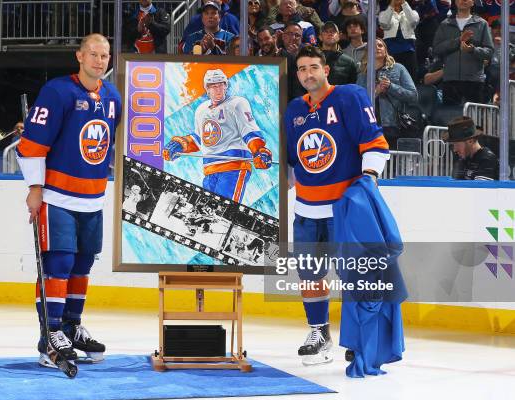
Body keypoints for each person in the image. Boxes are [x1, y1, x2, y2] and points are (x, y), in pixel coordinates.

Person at [16, 33, 122, 368]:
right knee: (58, 265)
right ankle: (50, 333)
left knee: (82, 265)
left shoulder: (113, 96)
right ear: (79, 56)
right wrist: (35, 188)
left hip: (93, 197)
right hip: (57, 196)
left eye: (104, 55)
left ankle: (72, 327)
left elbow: (108, 145)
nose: (99, 60)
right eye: (93, 54)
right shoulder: (58, 91)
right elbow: (31, 144)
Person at [285, 45, 389, 365]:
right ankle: (319, 333)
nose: (308, 74)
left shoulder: (349, 97)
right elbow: (292, 162)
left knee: (353, 275)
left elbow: (375, 144)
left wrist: (368, 179)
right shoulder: (293, 110)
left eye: (313, 67)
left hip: (342, 209)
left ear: (326, 70)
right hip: (305, 210)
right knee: (310, 274)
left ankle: (358, 339)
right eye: (302, 69)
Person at [162, 69, 272, 203]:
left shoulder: (237, 103)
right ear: (207, 89)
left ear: (226, 85)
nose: (218, 89)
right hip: (210, 170)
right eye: (213, 86)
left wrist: (258, 150)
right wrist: (180, 145)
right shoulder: (201, 110)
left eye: (221, 85)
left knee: (223, 212)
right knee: (207, 210)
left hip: (234, 166)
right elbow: (198, 140)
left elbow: (250, 132)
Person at [357, 38, 418, 149]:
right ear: (367, 52)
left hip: (393, 126)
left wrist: (391, 87)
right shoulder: (362, 75)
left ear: (385, 50)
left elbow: (413, 96)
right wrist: (376, 92)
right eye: (373, 46)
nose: (377, 48)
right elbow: (358, 103)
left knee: (393, 164)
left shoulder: (398, 68)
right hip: (369, 127)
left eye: (380, 46)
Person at [432, 0, 493, 105]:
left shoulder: (482, 24)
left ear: (473, 2)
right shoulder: (445, 24)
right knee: (451, 119)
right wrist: (458, 41)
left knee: (474, 120)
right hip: (450, 80)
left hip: (474, 80)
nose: (463, 0)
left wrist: (472, 50)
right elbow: (436, 49)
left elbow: (489, 52)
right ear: (455, 2)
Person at [443, 116, 499, 180]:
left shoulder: (487, 159)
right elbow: (456, 185)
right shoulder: (463, 159)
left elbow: (480, 189)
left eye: (457, 144)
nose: (454, 150)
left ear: (470, 141)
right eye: (453, 145)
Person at [378, 0, 420, 80]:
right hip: (391, 51)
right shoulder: (384, 13)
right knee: (392, 77)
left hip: (408, 50)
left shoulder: (413, 12)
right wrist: (392, 5)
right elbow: (384, 23)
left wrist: (404, 4)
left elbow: (413, 21)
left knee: (411, 77)